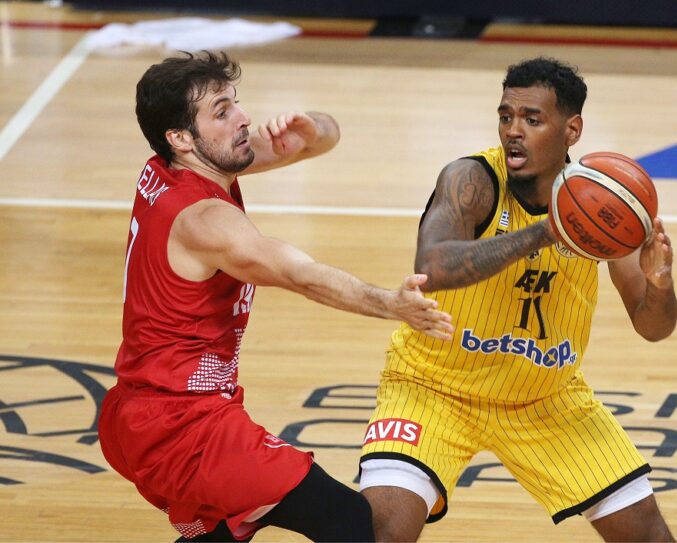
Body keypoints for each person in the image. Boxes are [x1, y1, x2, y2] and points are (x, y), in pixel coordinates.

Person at [97, 50, 454, 543]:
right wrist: (389, 304)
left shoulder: (171, 166)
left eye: (236, 102)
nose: (243, 118)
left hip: (143, 415)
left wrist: (311, 129)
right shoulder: (205, 222)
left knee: (227, 529)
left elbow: (318, 139)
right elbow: (299, 274)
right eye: (222, 112)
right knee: (347, 518)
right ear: (181, 138)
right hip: (181, 427)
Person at [358, 57, 677, 542]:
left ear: (572, 130)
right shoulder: (471, 178)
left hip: (545, 398)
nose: (514, 130)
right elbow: (433, 269)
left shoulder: (602, 204)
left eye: (532, 119)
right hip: (432, 387)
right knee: (382, 533)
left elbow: (654, 327)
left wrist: (660, 285)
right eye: (506, 116)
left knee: (650, 536)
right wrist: (546, 231)